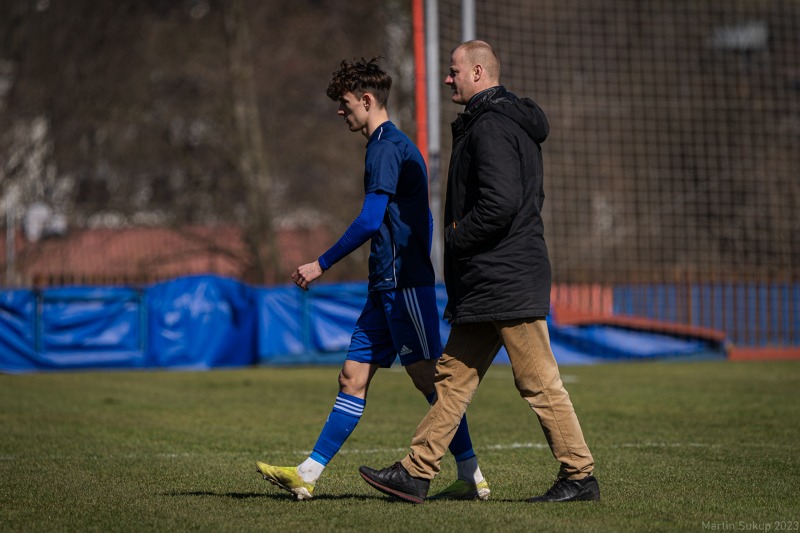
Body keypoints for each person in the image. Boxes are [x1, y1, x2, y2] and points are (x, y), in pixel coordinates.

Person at [359, 41, 600, 504]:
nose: (447, 79)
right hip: (489, 281)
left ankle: (579, 474)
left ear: (476, 72)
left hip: (506, 278)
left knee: (538, 383)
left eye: (453, 72)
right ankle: (416, 471)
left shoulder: (490, 125)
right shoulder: (497, 121)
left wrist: (457, 235)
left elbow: (501, 203)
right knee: (452, 379)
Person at [255, 57, 489, 501]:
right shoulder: (389, 145)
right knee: (351, 377)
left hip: (404, 286)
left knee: (429, 381)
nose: (340, 112)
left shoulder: (386, 147)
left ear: (366, 100)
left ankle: (471, 475)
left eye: (345, 104)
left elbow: (368, 220)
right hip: (384, 285)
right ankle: (307, 473)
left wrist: (320, 263)